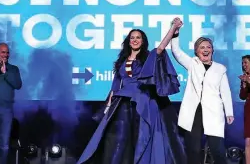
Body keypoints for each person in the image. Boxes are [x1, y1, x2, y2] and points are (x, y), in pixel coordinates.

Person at [77, 26, 186, 164]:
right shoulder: (122, 61)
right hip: (122, 102)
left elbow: (161, 48)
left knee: (142, 137)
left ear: (143, 41)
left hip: (143, 102)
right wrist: (107, 106)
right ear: (128, 41)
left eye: (138, 37)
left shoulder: (148, 57)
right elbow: (115, 86)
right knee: (119, 138)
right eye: (132, 38)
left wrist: (173, 28)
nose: (135, 40)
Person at [170, 17, 234, 164]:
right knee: (193, 148)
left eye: (208, 47)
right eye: (202, 47)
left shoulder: (220, 69)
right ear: (197, 52)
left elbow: (225, 92)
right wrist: (176, 31)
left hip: (213, 111)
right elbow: (176, 51)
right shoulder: (192, 64)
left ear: (212, 50)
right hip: (194, 111)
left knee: (217, 148)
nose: (205, 50)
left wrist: (229, 112)